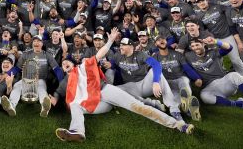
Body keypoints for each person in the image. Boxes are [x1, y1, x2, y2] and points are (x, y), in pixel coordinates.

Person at [54, 28, 194, 142]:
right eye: (63, 65)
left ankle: (177, 124)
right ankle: (77, 131)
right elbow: (69, 95)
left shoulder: (84, 66)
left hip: (106, 91)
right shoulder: (70, 78)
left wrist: (109, 41)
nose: (65, 65)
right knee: (74, 105)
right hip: (98, 103)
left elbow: (100, 53)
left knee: (138, 107)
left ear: (75, 63)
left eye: (67, 63)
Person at [184, 37, 243, 124]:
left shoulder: (213, 52)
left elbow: (229, 48)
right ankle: (240, 104)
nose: (195, 48)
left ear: (203, 44)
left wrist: (216, 41)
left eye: (197, 45)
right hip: (209, 87)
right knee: (204, 96)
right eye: (193, 46)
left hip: (224, 82)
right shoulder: (189, 56)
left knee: (234, 75)